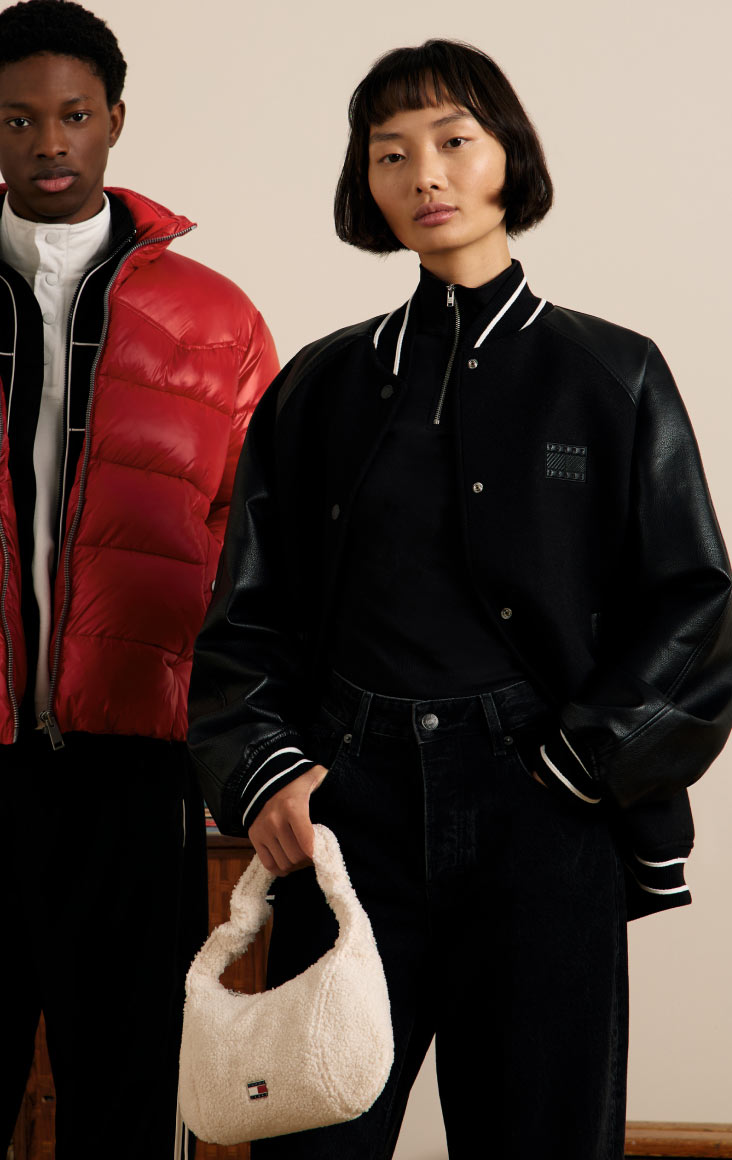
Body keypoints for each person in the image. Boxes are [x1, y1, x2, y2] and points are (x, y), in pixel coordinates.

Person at [187, 39, 732, 1160]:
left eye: (450, 142)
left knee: (539, 1136)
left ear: (505, 162)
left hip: (543, 812)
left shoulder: (611, 372)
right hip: (350, 817)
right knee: (309, 1135)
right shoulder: (318, 385)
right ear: (366, 185)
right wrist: (267, 772)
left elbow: (696, 605)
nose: (422, 175)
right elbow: (244, 611)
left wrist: (580, 766)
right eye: (389, 154)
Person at [0, 1, 277, 1156]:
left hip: (135, 769)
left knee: (130, 1093)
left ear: (115, 120)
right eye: (20, 118)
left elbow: (256, 526)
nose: (50, 142)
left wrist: (190, 642)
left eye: (74, 115)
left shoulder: (213, 318)